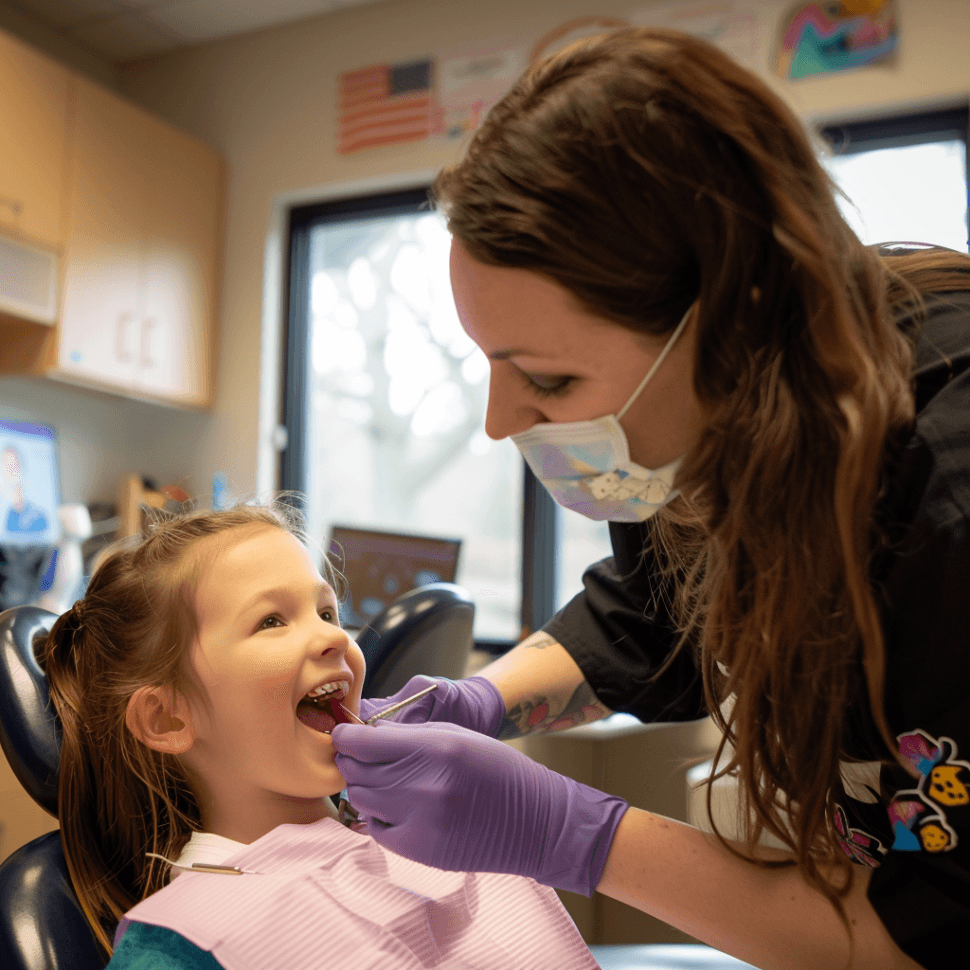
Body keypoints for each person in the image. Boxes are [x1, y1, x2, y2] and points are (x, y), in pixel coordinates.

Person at [330, 26, 970, 970]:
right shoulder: (720, 428)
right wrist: (484, 700)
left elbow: (936, 931)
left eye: (546, 382)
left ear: (733, 321)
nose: (500, 423)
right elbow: (647, 617)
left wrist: (572, 833)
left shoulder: (948, 508)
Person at [41, 503, 600, 969]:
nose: (334, 638)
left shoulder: (428, 834)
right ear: (168, 719)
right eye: (272, 621)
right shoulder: (177, 946)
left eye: (328, 611)